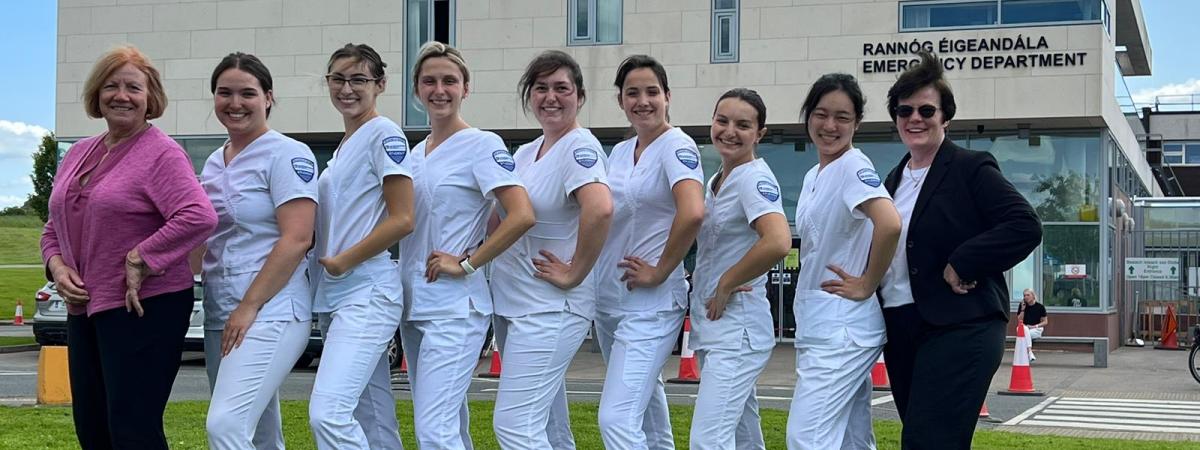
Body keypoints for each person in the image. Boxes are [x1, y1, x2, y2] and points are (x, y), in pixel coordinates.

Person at [40, 45, 217, 449]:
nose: (122, 95)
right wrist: (56, 264)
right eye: (111, 86)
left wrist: (142, 257)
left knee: (132, 429)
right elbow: (55, 224)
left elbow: (198, 216)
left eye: (133, 87)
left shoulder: (161, 153)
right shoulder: (80, 152)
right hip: (85, 308)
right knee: (92, 427)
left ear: (150, 97)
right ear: (96, 95)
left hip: (144, 308)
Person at [877, 52, 1042, 449]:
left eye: (926, 109)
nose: (914, 118)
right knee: (927, 438)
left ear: (945, 118)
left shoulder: (970, 167)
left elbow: (1024, 225)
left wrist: (961, 262)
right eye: (905, 110)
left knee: (927, 442)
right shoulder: (893, 180)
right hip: (901, 330)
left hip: (960, 326)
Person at [400, 41, 536, 450]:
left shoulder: (483, 144)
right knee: (448, 424)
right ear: (416, 90)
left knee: (434, 429)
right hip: (413, 302)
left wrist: (470, 262)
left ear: (466, 88)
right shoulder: (413, 153)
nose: (439, 89)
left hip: (455, 308)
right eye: (429, 81)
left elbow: (521, 214)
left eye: (449, 81)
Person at [490, 50, 613, 450]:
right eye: (541, 88)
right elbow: (501, 218)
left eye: (562, 88)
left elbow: (600, 208)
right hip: (515, 303)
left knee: (515, 426)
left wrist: (576, 271)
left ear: (579, 95)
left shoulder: (580, 148)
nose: (550, 97)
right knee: (550, 430)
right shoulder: (526, 153)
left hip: (549, 309)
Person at [200, 52, 318, 450]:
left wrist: (249, 305)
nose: (235, 103)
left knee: (225, 426)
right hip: (221, 311)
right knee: (262, 433)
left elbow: (298, 238)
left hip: (271, 311)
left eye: (247, 93)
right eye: (224, 93)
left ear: (268, 97)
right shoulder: (215, 162)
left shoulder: (288, 154)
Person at [594, 54, 704, 450]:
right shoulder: (620, 152)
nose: (643, 101)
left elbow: (692, 212)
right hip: (609, 299)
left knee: (616, 417)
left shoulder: (677, 146)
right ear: (620, 100)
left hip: (652, 303)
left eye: (652, 92)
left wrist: (659, 270)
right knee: (647, 407)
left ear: (668, 96)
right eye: (632, 93)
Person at [307, 43, 414, 450]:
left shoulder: (384, 133)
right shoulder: (343, 146)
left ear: (380, 84)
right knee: (373, 416)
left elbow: (404, 218)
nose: (346, 88)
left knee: (328, 413)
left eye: (358, 79)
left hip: (366, 293)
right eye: (338, 78)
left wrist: (341, 262)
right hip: (336, 295)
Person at [787, 73, 902, 450]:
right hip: (822, 322)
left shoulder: (853, 166)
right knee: (852, 440)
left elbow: (889, 223)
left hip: (842, 327)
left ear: (857, 124)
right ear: (808, 116)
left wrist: (868, 282)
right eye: (821, 114)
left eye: (842, 117)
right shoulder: (812, 175)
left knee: (807, 438)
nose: (830, 126)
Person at [689, 88, 791, 450]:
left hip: (737, 331)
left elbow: (778, 240)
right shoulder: (717, 179)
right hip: (715, 327)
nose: (730, 131)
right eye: (722, 121)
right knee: (743, 437)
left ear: (759, 134)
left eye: (743, 125)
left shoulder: (752, 179)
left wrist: (728, 282)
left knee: (708, 440)